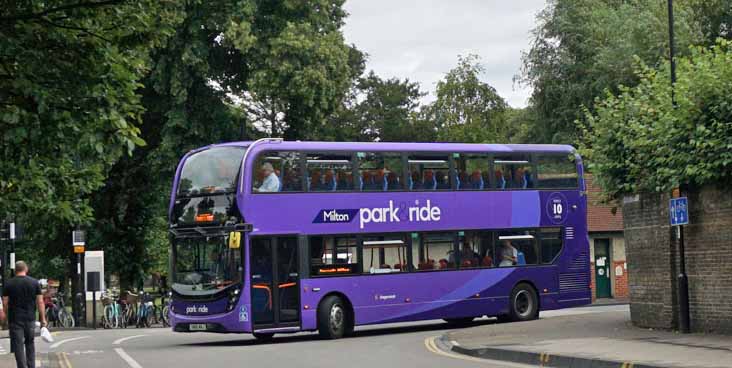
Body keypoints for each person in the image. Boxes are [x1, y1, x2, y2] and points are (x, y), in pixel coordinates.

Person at [1, 261, 47, 368]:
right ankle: (31, 366)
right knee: (30, 343)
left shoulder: (9, 283)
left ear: (16, 270)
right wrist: (43, 319)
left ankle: (21, 366)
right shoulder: (34, 282)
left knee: (18, 345)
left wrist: (6, 318)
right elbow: (40, 302)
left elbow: (5, 303)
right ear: (26, 269)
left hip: (15, 319)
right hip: (30, 318)